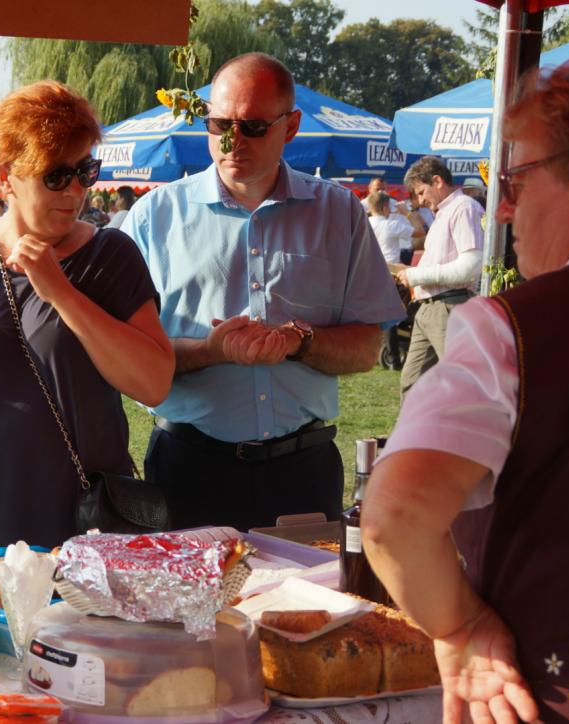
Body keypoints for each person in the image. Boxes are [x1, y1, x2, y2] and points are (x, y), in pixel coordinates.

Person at [362, 56, 569, 724]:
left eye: (517, 179)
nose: (508, 207)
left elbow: (395, 516)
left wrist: (460, 625)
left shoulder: (518, 328)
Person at [124, 53, 403, 533]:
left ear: (290, 127)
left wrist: (300, 342)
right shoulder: (155, 217)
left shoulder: (338, 213)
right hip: (188, 467)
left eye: (252, 127)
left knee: (308, 585)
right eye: (219, 124)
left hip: (302, 469)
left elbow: (365, 348)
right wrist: (211, 352)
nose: (232, 141)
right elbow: (125, 356)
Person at [0, 80, 173, 550]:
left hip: (84, 531)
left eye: (85, 170)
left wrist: (62, 293)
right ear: (5, 177)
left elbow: (154, 383)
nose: (76, 190)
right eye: (56, 175)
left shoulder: (111, 256)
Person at [394, 156, 485, 400]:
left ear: (437, 181)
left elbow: (470, 267)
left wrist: (415, 275)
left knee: (459, 385)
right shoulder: (447, 212)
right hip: (432, 307)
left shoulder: (464, 208)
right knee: (412, 384)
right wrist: (411, 273)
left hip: (448, 306)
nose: (420, 200)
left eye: (421, 192)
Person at [366, 191, 413, 265]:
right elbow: (419, 231)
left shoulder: (364, 224)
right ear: (385, 207)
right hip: (390, 267)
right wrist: (407, 213)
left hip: (369, 266)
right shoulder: (392, 225)